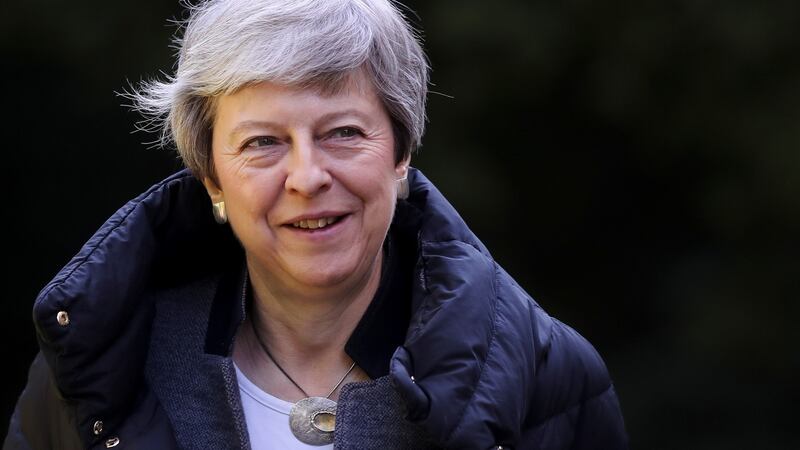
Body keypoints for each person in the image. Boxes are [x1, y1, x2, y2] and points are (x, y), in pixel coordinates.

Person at [4, 0, 628, 449]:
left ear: (401, 154)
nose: (307, 176)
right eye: (263, 142)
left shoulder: (546, 377)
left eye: (343, 133)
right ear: (213, 179)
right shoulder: (99, 366)